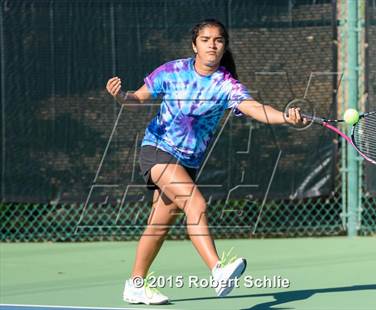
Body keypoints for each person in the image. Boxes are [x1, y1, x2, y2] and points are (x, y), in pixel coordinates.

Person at [106, 18, 306, 305]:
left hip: (189, 160)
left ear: (224, 47)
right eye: (205, 39)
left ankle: (135, 284)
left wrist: (285, 117)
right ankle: (217, 270)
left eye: (218, 40)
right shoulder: (173, 71)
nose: (212, 45)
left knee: (159, 225)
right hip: (158, 149)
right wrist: (121, 96)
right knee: (195, 203)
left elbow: (255, 109)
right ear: (194, 45)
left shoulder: (226, 85)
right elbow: (137, 97)